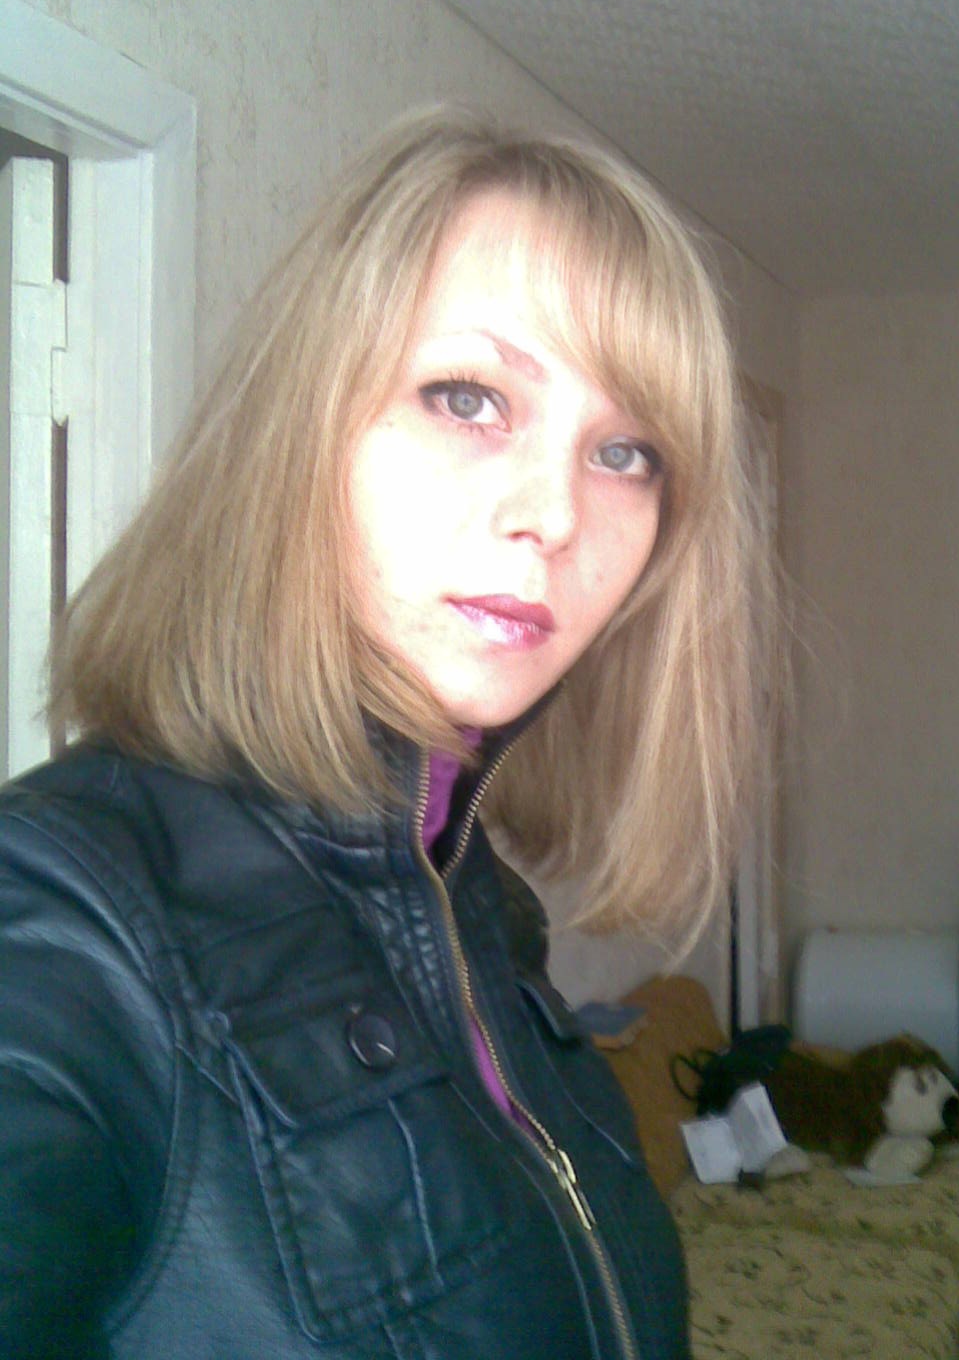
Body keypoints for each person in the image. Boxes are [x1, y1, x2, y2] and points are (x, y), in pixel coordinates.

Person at [0, 110, 780, 1359]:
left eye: (624, 451)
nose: (554, 512)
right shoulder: (57, 914)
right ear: (299, 428)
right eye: (468, 398)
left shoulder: (481, 907)